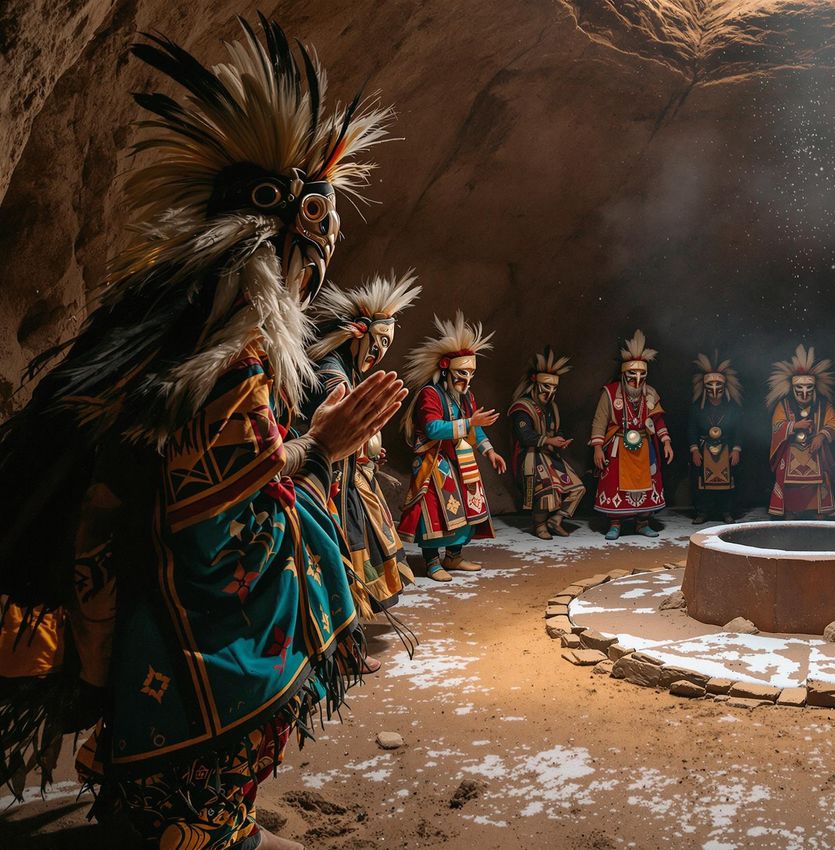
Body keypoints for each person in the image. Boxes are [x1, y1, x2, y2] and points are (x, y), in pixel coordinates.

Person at [0, 17, 400, 849]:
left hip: (144, 608)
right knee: (188, 806)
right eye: (311, 255)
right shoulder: (227, 356)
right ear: (288, 246)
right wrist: (322, 447)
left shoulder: (182, 326)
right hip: (182, 639)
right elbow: (221, 529)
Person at [305, 272, 423, 615]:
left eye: (387, 344)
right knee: (342, 546)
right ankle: (344, 624)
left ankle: (350, 619)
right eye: (379, 340)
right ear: (358, 333)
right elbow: (333, 425)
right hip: (328, 483)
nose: (381, 350)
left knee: (360, 539)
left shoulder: (349, 370)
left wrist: (368, 451)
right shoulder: (333, 373)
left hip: (348, 479)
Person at [398, 313, 506, 581]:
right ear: (446, 369)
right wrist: (470, 422)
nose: (467, 380)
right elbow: (433, 429)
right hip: (434, 462)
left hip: (460, 459)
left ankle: (454, 556)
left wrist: (490, 451)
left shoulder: (466, 397)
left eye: (471, 373)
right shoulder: (430, 394)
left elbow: (474, 428)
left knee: (467, 508)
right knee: (435, 511)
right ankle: (432, 561)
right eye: (461, 373)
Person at [589, 330, 674, 539]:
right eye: (632, 376)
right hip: (618, 447)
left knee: (647, 485)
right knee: (615, 484)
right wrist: (598, 448)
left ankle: (642, 523)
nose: (637, 381)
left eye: (641, 376)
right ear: (623, 374)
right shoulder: (610, 393)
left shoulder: (650, 393)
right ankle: (615, 524)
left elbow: (658, 420)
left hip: (644, 447)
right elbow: (599, 421)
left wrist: (666, 442)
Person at [509, 348, 585, 539]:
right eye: (546, 386)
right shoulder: (522, 407)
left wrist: (560, 440)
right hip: (530, 456)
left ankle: (556, 520)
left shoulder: (552, 407)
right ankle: (539, 525)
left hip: (550, 455)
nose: (550, 392)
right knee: (546, 489)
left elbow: (556, 429)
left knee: (577, 488)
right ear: (535, 382)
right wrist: (549, 440)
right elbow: (525, 436)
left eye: (554, 388)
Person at [766, 344, 835, 518]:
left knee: (822, 475)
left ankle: (818, 511)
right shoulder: (783, 405)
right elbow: (776, 426)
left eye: (809, 388)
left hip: (815, 450)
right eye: (799, 388)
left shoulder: (823, 405)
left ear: (815, 388)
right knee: (786, 478)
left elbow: (833, 422)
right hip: (790, 451)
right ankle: (791, 511)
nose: (804, 393)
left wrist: (821, 436)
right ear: (792, 388)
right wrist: (794, 426)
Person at [688, 352, 744, 524]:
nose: (714, 390)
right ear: (704, 388)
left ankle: (726, 511)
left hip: (726, 449)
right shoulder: (697, 408)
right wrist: (694, 450)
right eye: (710, 385)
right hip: (704, 450)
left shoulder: (732, 408)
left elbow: (739, 430)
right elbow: (691, 429)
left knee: (728, 483)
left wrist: (736, 449)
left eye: (718, 385)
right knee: (702, 483)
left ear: (725, 387)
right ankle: (702, 512)